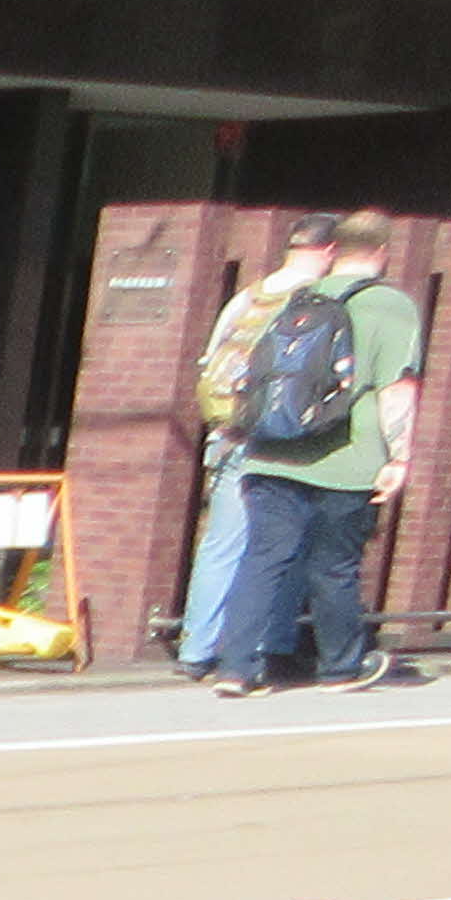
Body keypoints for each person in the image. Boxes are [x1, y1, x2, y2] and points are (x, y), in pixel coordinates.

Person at [211, 205, 427, 695]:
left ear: (335, 251)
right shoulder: (391, 305)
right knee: (334, 566)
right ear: (382, 251)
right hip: (346, 458)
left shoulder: (298, 298)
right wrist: (398, 457)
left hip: (272, 451)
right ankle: (340, 668)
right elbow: (397, 388)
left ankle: (236, 669)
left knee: (262, 560)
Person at [176, 217, 333, 669]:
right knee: (284, 546)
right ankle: (269, 645)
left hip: (230, 435)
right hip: (287, 441)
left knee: (222, 545)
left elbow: (210, 362)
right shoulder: (320, 303)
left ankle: (196, 649)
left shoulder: (249, 298)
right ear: (329, 251)